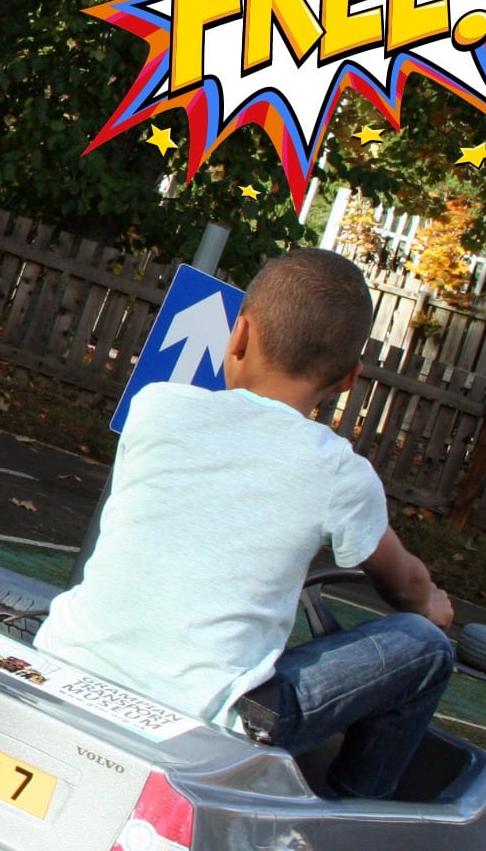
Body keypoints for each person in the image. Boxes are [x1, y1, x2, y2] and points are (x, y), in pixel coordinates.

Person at [32, 248, 456, 801]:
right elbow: (406, 585)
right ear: (349, 379)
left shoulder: (155, 407)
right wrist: (432, 608)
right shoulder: (339, 473)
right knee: (424, 646)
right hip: (209, 712)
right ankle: (353, 815)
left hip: (66, 657)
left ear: (238, 336)